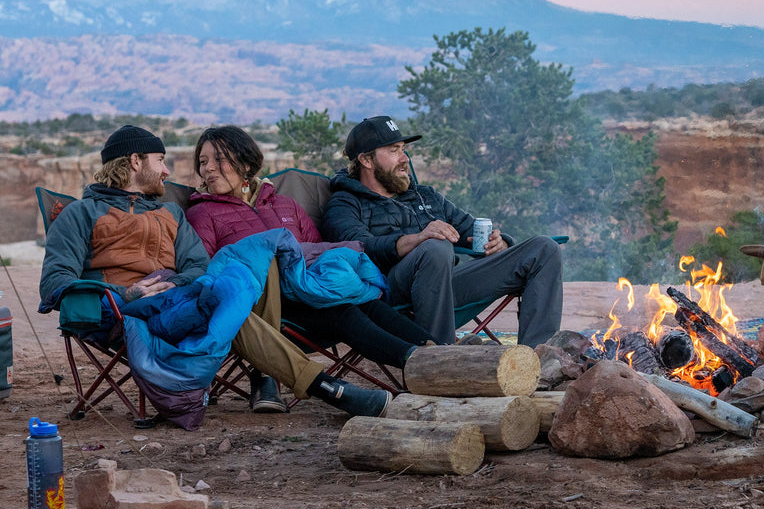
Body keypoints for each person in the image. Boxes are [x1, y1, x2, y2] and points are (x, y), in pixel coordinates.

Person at [40, 124, 391, 419]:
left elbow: (197, 267)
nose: (167, 172)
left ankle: (311, 385)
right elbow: (56, 284)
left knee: (235, 285)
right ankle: (329, 389)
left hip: (177, 304)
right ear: (135, 162)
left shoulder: (171, 215)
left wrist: (172, 283)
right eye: (160, 161)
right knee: (234, 310)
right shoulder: (81, 214)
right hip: (122, 311)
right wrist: (126, 295)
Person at [185, 125, 430, 411]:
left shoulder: (285, 205)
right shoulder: (202, 212)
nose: (209, 169)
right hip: (265, 308)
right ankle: (417, 361)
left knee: (365, 302)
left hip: (308, 292)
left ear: (246, 163)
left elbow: (315, 251)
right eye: (203, 162)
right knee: (341, 311)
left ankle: (435, 352)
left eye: (219, 159)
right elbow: (211, 272)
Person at [321, 116, 563, 346]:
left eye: (404, 149)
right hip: (388, 295)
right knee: (435, 246)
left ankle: (538, 360)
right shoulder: (345, 203)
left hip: (444, 288)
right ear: (366, 160)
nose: (405, 158)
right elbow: (357, 249)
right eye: (394, 151)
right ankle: (439, 355)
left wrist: (500, 243)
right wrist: (418, 239)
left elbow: (469, 229)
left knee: (544, 249)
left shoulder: (425, 196)